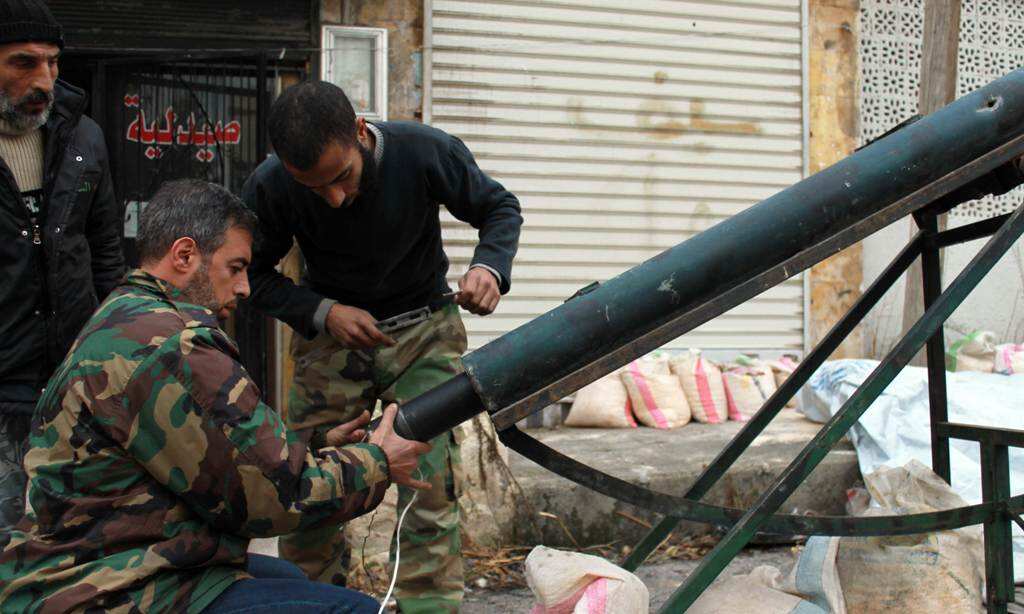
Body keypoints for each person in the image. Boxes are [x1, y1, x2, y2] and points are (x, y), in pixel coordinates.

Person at [0, 179, 431, 613]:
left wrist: (315, 451)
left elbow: (221, 456)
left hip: (90, 569)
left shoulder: (125, 313)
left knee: (287, 578)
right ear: (185, 255)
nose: (244, 288)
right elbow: (273, 497)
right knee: (354, 610)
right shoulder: (175, 344)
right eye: (236, 267)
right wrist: (378, 462)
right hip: (100, 591)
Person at [243, 80, 522, 612]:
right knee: (308, 480)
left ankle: (428, 606)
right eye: (314, 188)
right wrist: (321, 312)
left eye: (342, 177)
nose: (334, 198)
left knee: (430, 484)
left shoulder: (424, 151)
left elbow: (499, 207)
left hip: (424, 331)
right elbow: (249, 273)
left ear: (359, 131)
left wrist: (489, 266)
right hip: (330, 341)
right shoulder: (272, 185)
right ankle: (314, 603)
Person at [0, 0, 124, 532]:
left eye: (52, 63)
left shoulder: (82, 137)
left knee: (68, 531)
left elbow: (105, 252)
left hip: (71, 378)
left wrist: (112, 348)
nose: (44, 79)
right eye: (24, 63)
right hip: (3, 381)